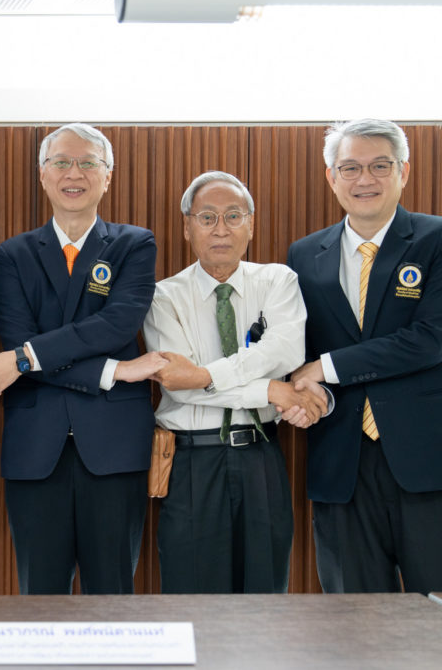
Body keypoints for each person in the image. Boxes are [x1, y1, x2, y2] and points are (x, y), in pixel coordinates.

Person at [287, 118, 442, 594]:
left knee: (439, 615)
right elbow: (297, 350)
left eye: (380, 166)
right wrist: (302, 390)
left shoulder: (441, 239)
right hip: (342, 464)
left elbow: (430, 340)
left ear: (404, 171)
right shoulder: (304, 255)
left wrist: (326, 367)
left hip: (431, 460)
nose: (365, 179)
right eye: (350, 167)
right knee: (353, 620)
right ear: (332, 177)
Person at [0, 123, 157, 595]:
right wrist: (114, 370)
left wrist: (26, 358)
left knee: (112, 595)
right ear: (43, 174)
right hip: (36, 448)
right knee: (40, 597)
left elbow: (116, 325)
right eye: (61, 162)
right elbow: (17, 338)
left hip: (114, 448)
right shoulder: (12, 255)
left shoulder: (134, 244)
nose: (74, 173)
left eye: (88, 163)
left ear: (107, 176)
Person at [138, 171, 326, 594]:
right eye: (207, 217)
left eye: (233, 216)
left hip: (261, 457)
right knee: (192, 597)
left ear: (251, 225)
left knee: (264, 595)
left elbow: (283, 353)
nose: (220, 229)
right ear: (187, 228)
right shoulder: (163, 297)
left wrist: (205, 374)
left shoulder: (278, 281)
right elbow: (176, 382)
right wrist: (268, 389)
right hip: (190, 463)